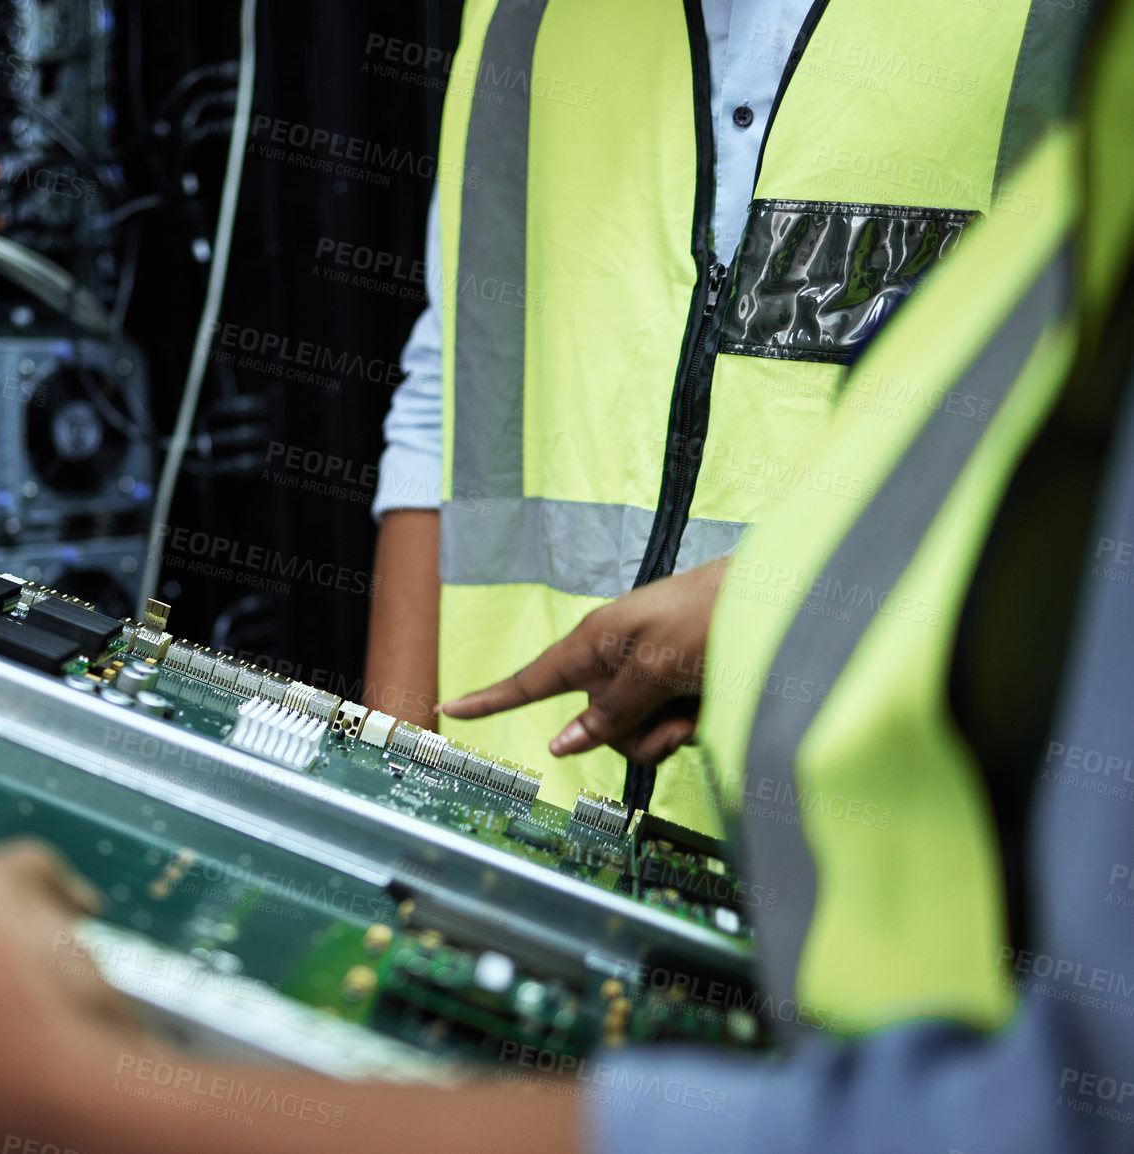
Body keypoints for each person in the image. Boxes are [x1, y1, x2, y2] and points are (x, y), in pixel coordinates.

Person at [0, 5, 1134, 1149]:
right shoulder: (529, 16)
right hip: (515, 839)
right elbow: (451, 375)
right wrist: (385, 801)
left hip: (844, 922)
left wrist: (94, 1102)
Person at [364, 0, 1087, 833]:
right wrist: (386, 789)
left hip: (859, 861)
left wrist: (785, 608)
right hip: (494, 833)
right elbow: (450, 389)